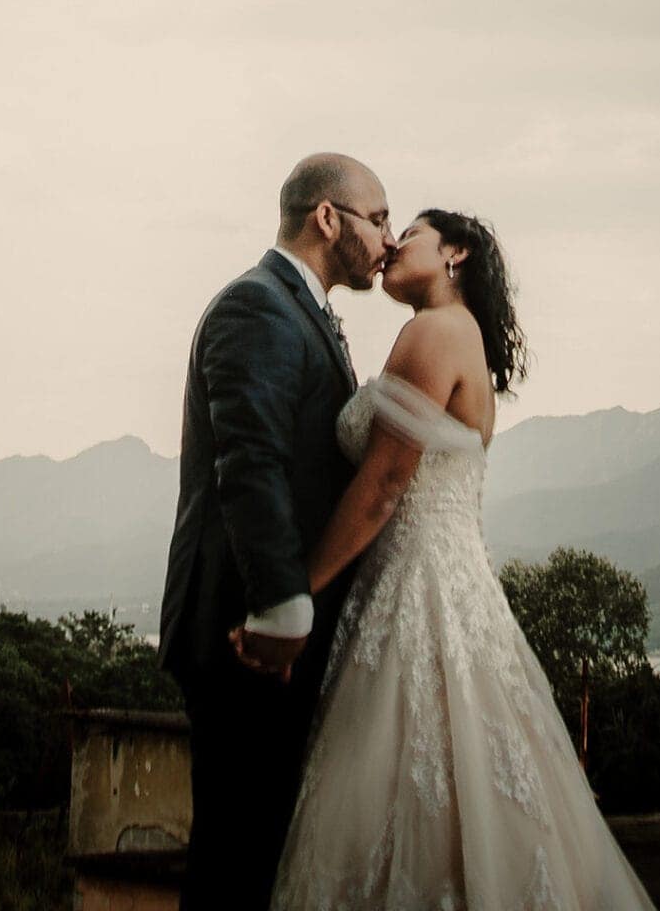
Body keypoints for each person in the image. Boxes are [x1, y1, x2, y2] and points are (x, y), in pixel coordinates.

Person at [266, 209, 659, 911]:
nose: (391, 242)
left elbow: (382, 488)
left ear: (456, 253)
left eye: (409, 232)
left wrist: (294, 594)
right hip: (444, 579)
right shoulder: (461, 336)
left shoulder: (434, 331)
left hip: (420, 587)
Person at [160, 150, 394, 911]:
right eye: (377, 219)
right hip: (248, 636)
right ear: (327, 217)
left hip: (274, 639)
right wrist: (284, 609)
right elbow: (250, 464)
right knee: (236, 860)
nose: (388, 239)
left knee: (263, 855)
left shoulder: (298, 308)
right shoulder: (256, 306)